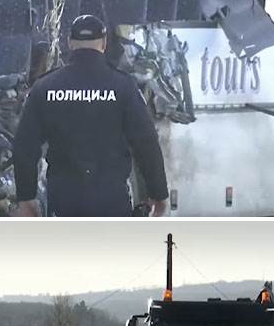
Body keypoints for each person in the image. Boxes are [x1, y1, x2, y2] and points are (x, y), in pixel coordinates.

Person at [13, 14, 169, 217]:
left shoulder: (45, 87)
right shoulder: (123, 87)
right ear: (104, 43)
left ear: (69, 43)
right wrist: (158, 193)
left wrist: (26, 198)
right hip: (112, 202)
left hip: (64, 203)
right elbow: (146, 143)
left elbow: (25, 147)